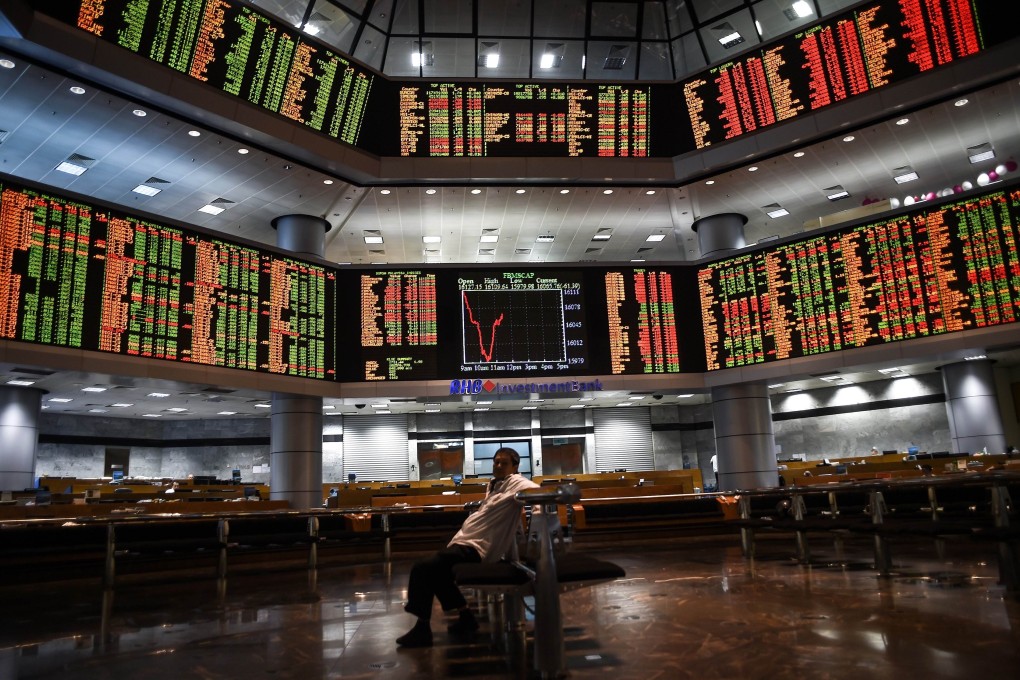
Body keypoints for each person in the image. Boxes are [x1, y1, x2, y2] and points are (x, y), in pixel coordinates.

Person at [396, 447, 539, 648]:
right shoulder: (494, 485)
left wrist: (540, 521)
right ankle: (466, 617)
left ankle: (422, 628)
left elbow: (537, 492)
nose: (498, 466)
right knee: (438, 572)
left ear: (515, 466)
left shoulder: (517, 482)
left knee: (423, 568)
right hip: (465, 542)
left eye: (504, 463)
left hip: (477, 548)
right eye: (496, 462)